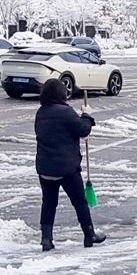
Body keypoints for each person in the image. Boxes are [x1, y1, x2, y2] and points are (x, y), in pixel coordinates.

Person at [34, 79, 106, 252]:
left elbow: (57, 133)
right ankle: (89, 235)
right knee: (79, 202)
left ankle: (46, 239)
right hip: (66, 168)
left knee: (49, 203)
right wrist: (87, 115)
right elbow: (83, 129)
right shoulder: (65, 112)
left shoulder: (41, 112)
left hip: (45, 167)